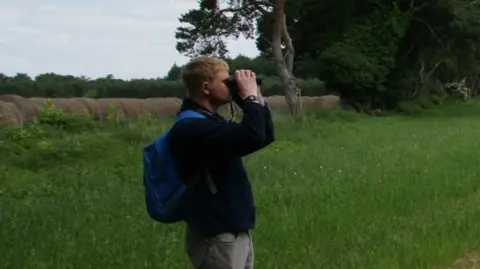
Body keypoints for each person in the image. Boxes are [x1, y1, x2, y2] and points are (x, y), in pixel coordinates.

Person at [167, 56, 275, 269]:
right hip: (216, 235)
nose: (230, 87)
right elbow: (251, 136)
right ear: (206, 87)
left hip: (231, 231)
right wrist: (250, 99)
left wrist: (255, 100)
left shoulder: (209, 122)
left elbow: (264, 136)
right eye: (225, 82)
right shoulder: (191, 127)